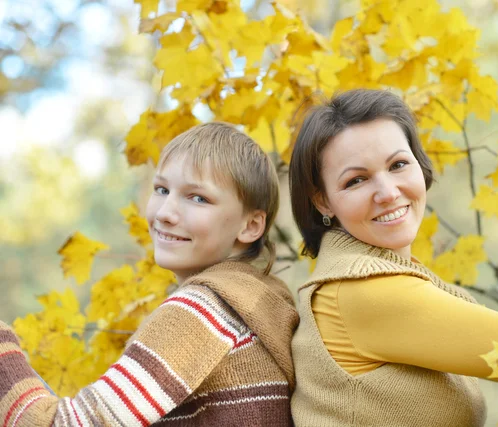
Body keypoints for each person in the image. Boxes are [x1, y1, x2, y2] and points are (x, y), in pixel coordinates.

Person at [0, 122, 299, 426]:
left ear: (250, 226)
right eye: (161, 189)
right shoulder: (260, 302)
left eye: (198, 198)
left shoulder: (200, 313)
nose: (164, 213)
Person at [288, 89, 498, 426]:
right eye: (357, 180)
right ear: (323, 201)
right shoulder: (359, 291)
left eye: (398, 164)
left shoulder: (381, 278)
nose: (388, 193)